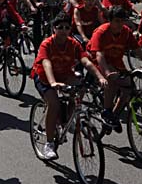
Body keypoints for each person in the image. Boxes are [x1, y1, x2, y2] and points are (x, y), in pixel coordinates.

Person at [31, 14, 107, 159]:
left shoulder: (73, 44)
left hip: (64, 75)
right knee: (54, 104)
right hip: (44, 77)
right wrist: (53, 83)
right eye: (60, 27)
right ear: (54, 29)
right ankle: (49, 144)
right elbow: (46, 63)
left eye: (67, 28)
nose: (64, 31)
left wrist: (100, 77)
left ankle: (67, 119)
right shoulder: (47, 44)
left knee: (79, 90)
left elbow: (86, 61)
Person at [87, 6, 142, 131]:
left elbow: (138, 49)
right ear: (110, 20)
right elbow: (99, 55)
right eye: (117, 21)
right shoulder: (101, 32)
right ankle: (107, 111)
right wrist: (107, 73)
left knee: (128, 87)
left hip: (116, 61)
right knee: (112, 81)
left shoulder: (126, 32)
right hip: (98, 60)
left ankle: (114, 115)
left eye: (122, 21)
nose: (120, 24)